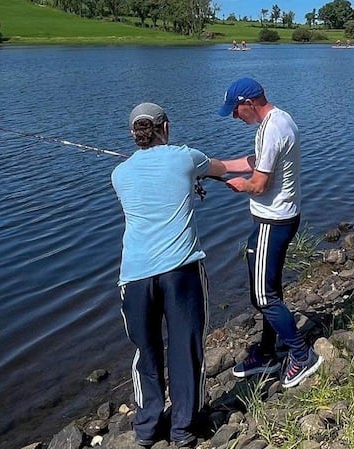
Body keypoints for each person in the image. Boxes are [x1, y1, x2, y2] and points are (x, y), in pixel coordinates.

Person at [111, 103, 227, 448]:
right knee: (186, 347)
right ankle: (183, 429)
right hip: (181, 272)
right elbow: (220, 167)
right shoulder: (186, 158)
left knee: (145, 351)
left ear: (134, 134)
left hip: (134, 279)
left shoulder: (119, 174)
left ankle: (147, 429)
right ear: (167, 126)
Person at [216, 78, 323, 389]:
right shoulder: (275, 121)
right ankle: (266, 353)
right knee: (268, 291)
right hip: (277, 219)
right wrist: (214, 167)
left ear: (249, 102)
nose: (235, 117)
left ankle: (302, 356)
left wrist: (240, 186)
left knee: (263, 296)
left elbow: (259, 184)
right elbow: (254, 162)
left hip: (273, 222)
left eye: (235, 110)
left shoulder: (274, 128)